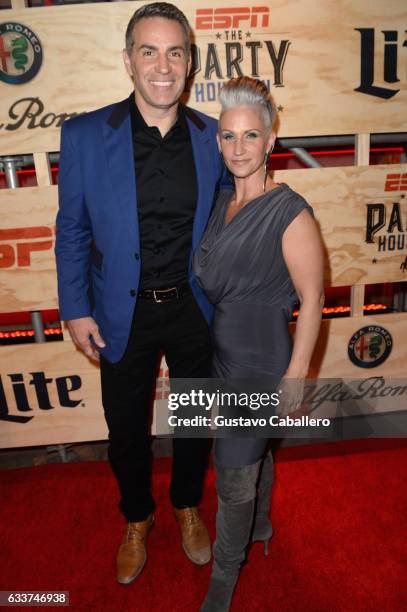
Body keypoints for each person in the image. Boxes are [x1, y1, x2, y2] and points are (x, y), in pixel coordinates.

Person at [55, 2, 227, 585]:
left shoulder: (211, 137)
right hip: (117, 309)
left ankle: (185, 505)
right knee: (125, 426)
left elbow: (233, 216)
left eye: (174, 52)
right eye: (148, 51)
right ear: (128, 61)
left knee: (195, 420)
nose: (162, 65)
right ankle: (137, 517)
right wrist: (75, 307)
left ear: (189, 62)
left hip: (193, 307)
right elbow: (72, 228)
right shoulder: (83, 134)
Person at [193, 77, 325, 611]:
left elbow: (313, 300)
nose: (239, 148)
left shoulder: (291, 211)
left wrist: (295, 377)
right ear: (218, 141)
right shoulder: (220, 201)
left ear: (272, 139)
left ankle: (224, 578)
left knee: (231, 477)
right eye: (228, 136)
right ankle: (263, 526)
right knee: (247, 455)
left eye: (252, 136)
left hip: (261, 361)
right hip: (219, 356)